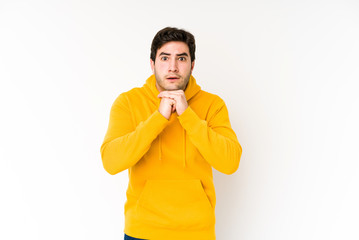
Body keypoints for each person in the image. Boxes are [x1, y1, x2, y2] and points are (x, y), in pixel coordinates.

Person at [100, 27, 242, 240]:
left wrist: (187, 115)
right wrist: (159, 118)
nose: (173, 67)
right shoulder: (128, 103)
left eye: (181, 58)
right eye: (165, 58)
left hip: (197, 233)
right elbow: (111, 162)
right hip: (142, 232)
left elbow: (230, 162)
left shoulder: (213, 105)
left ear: (192, 65)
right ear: (152, 64)